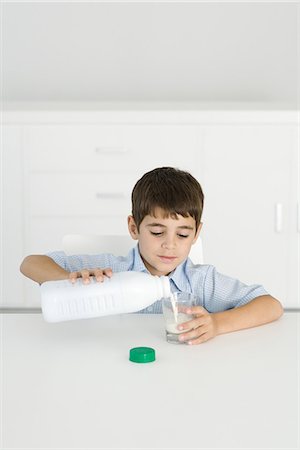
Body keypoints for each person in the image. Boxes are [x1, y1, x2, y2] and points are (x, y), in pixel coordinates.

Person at [20, 166, 283, 344]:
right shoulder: (112, 271)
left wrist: (216, 324)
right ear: (134, 228)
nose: (170, 245)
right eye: (157, 232)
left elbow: (271, 305)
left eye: (182, 235)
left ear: (196, 234)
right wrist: (71, 281)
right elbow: (30, 263)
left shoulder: (201, 281)